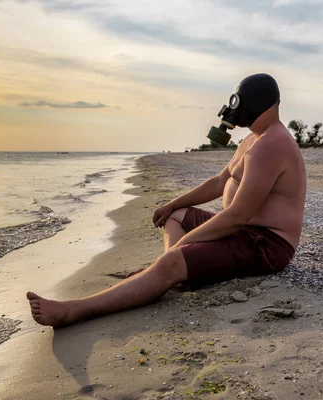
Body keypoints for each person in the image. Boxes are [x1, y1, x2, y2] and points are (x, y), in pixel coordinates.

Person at [27, 73, 307, 328]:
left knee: (173, 259)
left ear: (254, 103)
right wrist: (173, 204)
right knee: (175, 217)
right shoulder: (253, 139)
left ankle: (74, 310)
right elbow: (220, 181)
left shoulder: (272, 144)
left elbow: (238, 216)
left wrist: (184, 245)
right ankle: (170, 270)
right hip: (244, 231)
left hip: (266, 244)